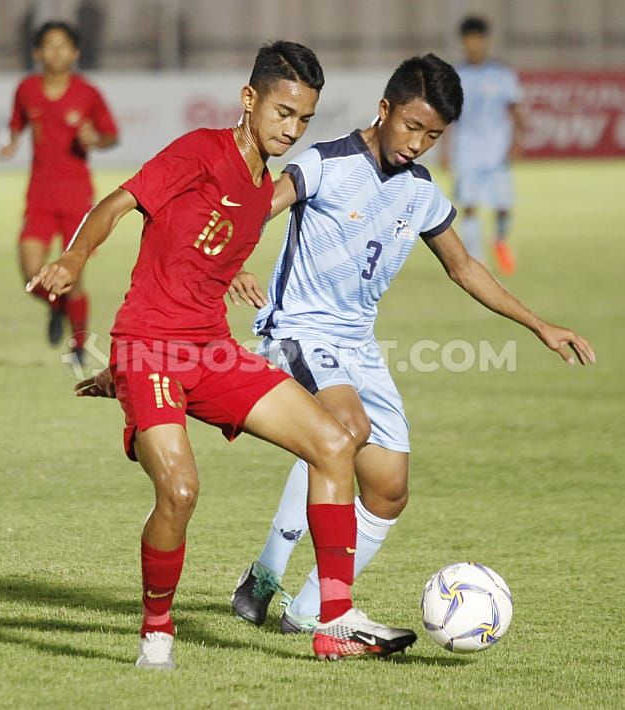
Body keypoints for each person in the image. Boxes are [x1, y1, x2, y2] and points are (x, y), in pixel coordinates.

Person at [28, 41, 417, 670]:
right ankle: (158, 628)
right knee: (180, 491)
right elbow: (119, 203)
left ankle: (335, 620)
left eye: (303, 120)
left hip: (210, 352)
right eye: (282, 112)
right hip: (151, 348)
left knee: (335, 442)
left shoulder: (265, 191)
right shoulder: (200, 151)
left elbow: (199, 266)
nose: (291, 130)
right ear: (249, 100)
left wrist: (122, 372)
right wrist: (74, 259)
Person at [224, 54, 595, 633]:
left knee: (390, 488)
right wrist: (231, 264)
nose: (418, 143)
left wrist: (540, 324)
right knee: (346, 432)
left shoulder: (421, 193)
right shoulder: (326, 163)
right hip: (299, 330)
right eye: (411, 126)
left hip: (357, 347)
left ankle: (308, 607)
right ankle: (269, 577)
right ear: (384, 109)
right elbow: (257, 211)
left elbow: (465, 266)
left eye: (434, 135)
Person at [1, 21, 118, 356]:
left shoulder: (88, 93)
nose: (56, 51)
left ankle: (79, 345)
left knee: (72, 274)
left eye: (63, 44)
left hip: (76, 195)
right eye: (48, 45)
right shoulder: (26, 89)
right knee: (30, 270)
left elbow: (110, 135)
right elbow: (15, 123)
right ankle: (59, 307)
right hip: (39, 194)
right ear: (37, 52)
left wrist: (95, 139)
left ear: (75, 52)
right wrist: (8, 142)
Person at [448, 16, 524, 275]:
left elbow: (515, 109)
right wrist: (446, 150)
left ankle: (500, 240)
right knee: (469, 205)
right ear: (463, 42)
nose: (474, 45)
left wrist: (516, 141)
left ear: (486, 41)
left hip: (497, 150)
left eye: (478, 39)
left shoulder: (501, 73)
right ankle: (477, 257)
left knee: (503, 207)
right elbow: (449, 115)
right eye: (469, 40)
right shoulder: (456, 75)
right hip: (467, 150)